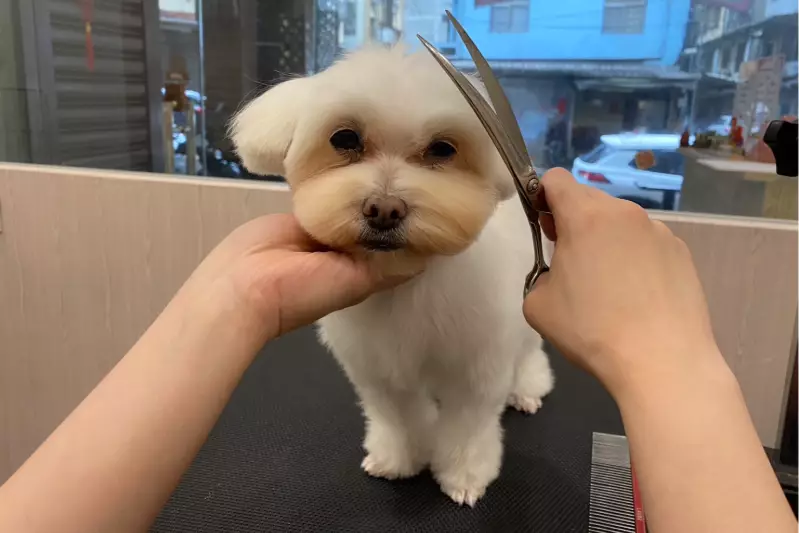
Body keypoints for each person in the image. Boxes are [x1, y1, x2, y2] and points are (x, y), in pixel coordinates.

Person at [0, 169, 794, 532]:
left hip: (491, 315)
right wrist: (672, 363)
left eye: (436, 152)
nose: (386, 193)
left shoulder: (496, 242)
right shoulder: (326, 285)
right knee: (383, 383)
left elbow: (481, 369)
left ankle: (472, 450)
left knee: (495, 367)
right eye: (349, 143)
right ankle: (404, 441)